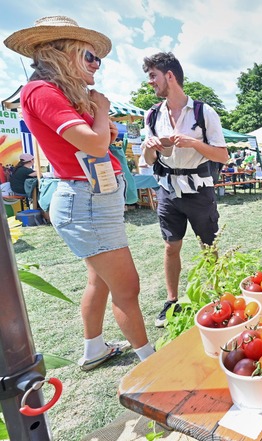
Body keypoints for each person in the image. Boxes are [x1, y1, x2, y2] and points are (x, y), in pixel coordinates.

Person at [5, 15, 154, 369]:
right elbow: (95, 146)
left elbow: (96, 141)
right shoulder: (41, 91)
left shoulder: (56, 93)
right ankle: (151, 364)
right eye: (90, 57)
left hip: (91, 197)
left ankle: (94, 349)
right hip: (86, 200)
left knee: (100, 280)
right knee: (127, 288)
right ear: (62, 53)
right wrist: (101, 112)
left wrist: (102, 123)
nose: (97, 66)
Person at [140, 52, 229, 327]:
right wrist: (148, 148)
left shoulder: (204, 111)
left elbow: (222, 155)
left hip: (199, 188)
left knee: (208, 245)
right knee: (170, 247)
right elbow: (148, 161)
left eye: (153, 76)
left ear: (170, 76)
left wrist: (193, 144)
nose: (150, 82)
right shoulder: (152, 115)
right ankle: (172, 300)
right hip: (167, 189)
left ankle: (217, 295)